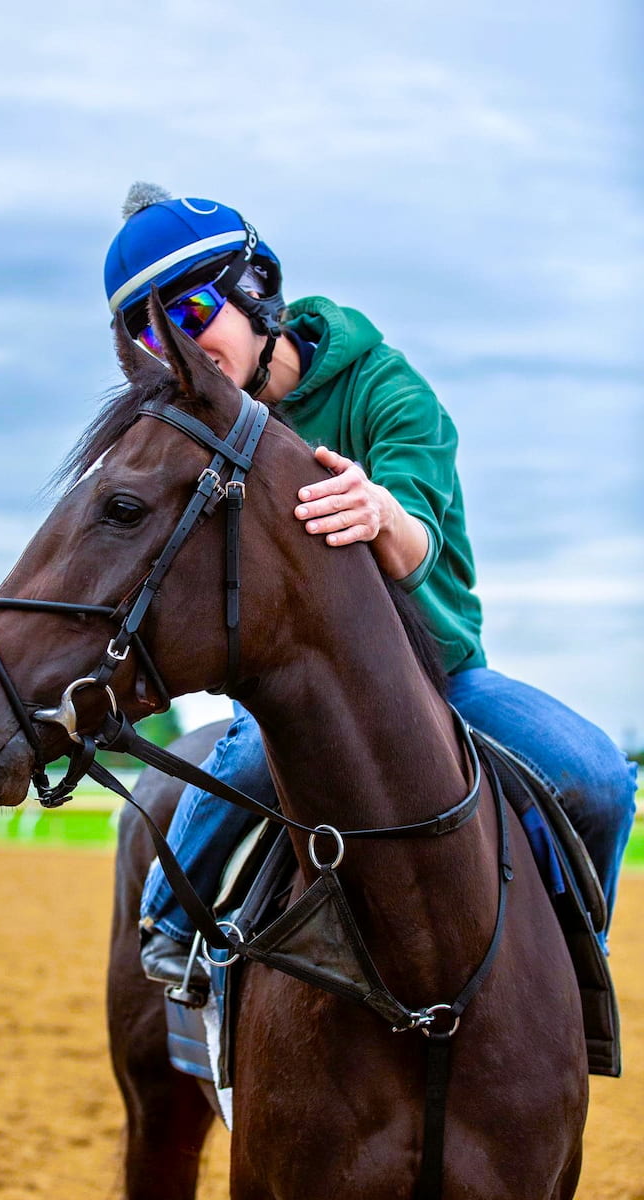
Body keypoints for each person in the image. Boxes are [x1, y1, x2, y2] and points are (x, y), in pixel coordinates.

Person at [103, 182, 638, 995]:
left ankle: (571, 967)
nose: (169, 347)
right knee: (243, 764)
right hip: (298, 689)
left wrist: (378, 511)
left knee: (597, 776)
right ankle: (170, 926)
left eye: (187, 312)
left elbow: (418, 538)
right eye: (143, 331)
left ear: (256, 294)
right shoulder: (197, 427)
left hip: (442, 680)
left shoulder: (390, 392)